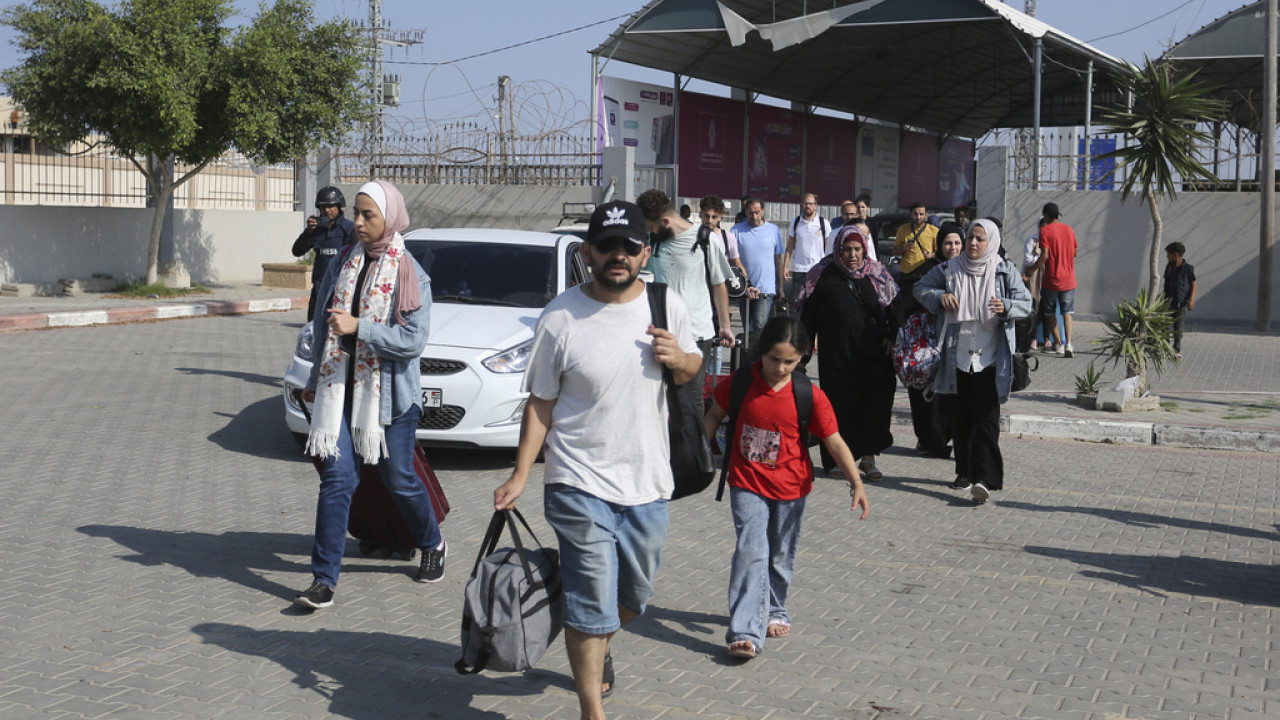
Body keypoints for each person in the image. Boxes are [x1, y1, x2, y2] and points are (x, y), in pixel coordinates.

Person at [493, 200, 701, 720]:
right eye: (607, 245)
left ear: (645, 252)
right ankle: (592, 709)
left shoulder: (664, 304)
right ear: (588, 251)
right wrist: (521, 474)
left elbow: (693, 364)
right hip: (576, 482)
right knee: (591, 602)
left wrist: (681, 360)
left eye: (629, 246)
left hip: (648, 483)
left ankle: (596, 635)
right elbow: (540, 401)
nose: (618, 255)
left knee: (633, 597)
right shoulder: (561, 315)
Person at [295, 180, 443, 610]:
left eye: (367, 215)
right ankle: (323, 581)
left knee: (399, 478)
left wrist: (362, 328)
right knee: (338, 480)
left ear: (389, 219)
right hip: (338, 387)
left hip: (389, 395)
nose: (358, 222)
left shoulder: (410, 272)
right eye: (356, 214)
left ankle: (432, 541)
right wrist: (313, 377)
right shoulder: (345, 259)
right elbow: (324, 322)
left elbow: (413, 341)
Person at [703, 316, 869, 660]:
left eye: (789, 361)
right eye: (773, 359)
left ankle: (775, 608)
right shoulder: (740, 383)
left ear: (803, 358)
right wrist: (693, 456)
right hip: (746, 483)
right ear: (761, 353)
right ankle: (746, 631)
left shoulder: (809, 394)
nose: (779, 367)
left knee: (779, 553)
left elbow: (834, 440)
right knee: (752, 549)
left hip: (793, 488)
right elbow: (714, 416)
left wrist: (856, 481)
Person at [913, 219, 1032, 504]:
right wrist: (941, 297)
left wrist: (1007, 306)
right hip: (957, 356)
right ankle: (964, 472)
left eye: (980, 239)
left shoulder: (1004, 269)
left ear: (991, 241)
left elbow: (1026, 303)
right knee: (961, 418)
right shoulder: (949, 268)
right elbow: (920, 289)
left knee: (987, 421)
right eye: (970, 238)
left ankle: (986, 479)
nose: (973, 244)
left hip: (991, 357)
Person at [798, 225, 901, 481]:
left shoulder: (877, 274)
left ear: (865, 249)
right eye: (847, 249)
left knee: (873, 406)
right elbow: (808, 318)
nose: (852, 254)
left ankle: (868, 458)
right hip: (836, 355)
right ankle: (834, 460)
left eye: (857, 249)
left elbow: (896, 310)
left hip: (874, 355)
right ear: (838, 249)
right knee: (836, 406)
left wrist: (892, 337)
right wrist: (802, 353)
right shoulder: (822, 274)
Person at [637, 188, 735, 410]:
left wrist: (726, 326)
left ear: (664, 220)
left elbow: (719, 284)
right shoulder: (655, 243)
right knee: (657, 399)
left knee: (690, 401)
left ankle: (693, 444)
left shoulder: (705, 239)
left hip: (697, 334)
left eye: (651, 226)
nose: (650, 231)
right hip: (660, 332)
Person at [901, 223, 965, 458]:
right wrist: (939, 298)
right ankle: (929, 439)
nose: (953, 248)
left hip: (956, 341)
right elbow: (913, 295)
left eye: (957, 243)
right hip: (927, 340)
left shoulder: (968, 268)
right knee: (926, 392)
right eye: (948, 243)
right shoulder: (928, 269)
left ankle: (949, 439)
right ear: (939, 245)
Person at [292, 186, 356, 321]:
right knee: (314, 328)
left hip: (341, 289)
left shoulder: (349, 229)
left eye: (331, 206)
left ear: (339, 206)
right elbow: (297, 251)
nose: (327, 210)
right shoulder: (316, 230)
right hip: (319, 289)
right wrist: (308, 232)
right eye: (323, 207)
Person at [1028, 202, 1078, 357]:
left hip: (1051, 280)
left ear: (1046, 216)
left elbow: (1044, 255)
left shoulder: (1045, 231)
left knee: (1049, 313)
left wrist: (1031, 271)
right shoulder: (1069, 230)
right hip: (1069, 279)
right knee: (1067, 312)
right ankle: (1069, 343)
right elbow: (1075, 252)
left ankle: (1058, 344)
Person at [732, 198, 786, 335]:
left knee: (759, 326)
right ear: (746, 212)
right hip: (745, 289)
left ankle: (758, 355)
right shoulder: (737, 230)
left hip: (765, 289)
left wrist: (780, 288)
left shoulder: (773, 230)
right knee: (748, 329)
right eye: (750, 213)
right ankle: (749, 356)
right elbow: (731, 258)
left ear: (763, 211)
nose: (754, 216)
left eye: (757, 212)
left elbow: (778, 261)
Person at [784, 193, 829, 304]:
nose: (808, 206)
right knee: (797, 303)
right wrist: (785, 266)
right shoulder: (795, 222)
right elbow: (790, 246)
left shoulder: (823, 223)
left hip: (818, 270)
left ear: (816, 205)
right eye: (805, 203)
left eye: (810, 203)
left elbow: (828, 248)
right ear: (802, 205)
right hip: (799, 270)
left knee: (817, 303)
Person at [699, 195, 750, 285]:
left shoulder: (728, 237)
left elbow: (736, 262)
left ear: (720, 217)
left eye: (714, 217)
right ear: (701, 214)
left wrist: (746, 284)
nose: (709, 220)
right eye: (707, 216)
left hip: (720, 285)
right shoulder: (693, 235)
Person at [1163, 241, 1196, 357]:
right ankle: (1166, 349)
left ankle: (1176, 350)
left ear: (1175, 255)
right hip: (1168, 301)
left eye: (1168, 254)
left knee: (1178, 328)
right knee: (1165, 326)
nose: (1167, 257)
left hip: (1181, 302)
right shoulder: (1169, 267)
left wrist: (1191, 300)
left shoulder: (1188, 269)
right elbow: (1166, 284)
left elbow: (1193, 284)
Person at [893, 202, 939, 276]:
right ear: (911, 214)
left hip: (925, 273)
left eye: (921, 214)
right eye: (915, 214)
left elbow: (941, 253)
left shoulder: (934, 231)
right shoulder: (903, 229)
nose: (918, 217)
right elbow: (895, 251)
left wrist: (931, 255)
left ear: (926, 215)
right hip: (906, 272)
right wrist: (903, 248)